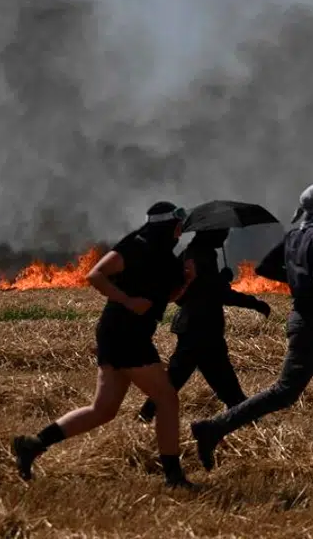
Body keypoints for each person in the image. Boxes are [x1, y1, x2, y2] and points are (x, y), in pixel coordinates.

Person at [190, 184, 313, 483]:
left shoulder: (295, 235)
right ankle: (213, 428)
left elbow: (265, 267)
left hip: (307, 323)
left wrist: (297, 279)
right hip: (311, 327)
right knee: (284, 393)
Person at [13, 202, 198, 488]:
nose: (180, 231)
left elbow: (167, 297)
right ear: (165, 225)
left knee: (103, 410)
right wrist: (128, 301)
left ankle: (33, 444)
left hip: (128, 334)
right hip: (124, 333)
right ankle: (173, 476)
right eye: (177, 225)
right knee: (167, 399)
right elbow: (95, 275)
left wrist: (187, 281)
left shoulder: (167, 258)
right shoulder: (136, 245)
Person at [136, 228, 271, 423]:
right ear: (210, 233)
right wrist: (253, 302)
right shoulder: (202, 256)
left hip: (197, 327)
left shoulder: (190, 253)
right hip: (200, 328)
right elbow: (217, 293)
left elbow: (192, 290)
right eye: (222, 232)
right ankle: (145, 415)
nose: (225, 236)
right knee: (188, 378)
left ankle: (244, 416)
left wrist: (219, 281)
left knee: (222, 381)